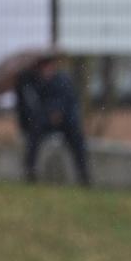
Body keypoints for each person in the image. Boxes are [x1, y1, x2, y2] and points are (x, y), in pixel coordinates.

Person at [15, 55, 90, 186]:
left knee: (77, 138)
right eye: (44, 67)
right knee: (33, 137)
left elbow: (70, 101)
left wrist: (59, 112)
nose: (47, 70)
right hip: (42, 122)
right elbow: (29, 107)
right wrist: (47, 114)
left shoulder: (62, 80)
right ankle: (30, 172)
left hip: (65, 121)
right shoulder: (30, 82)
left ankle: (83, 174)